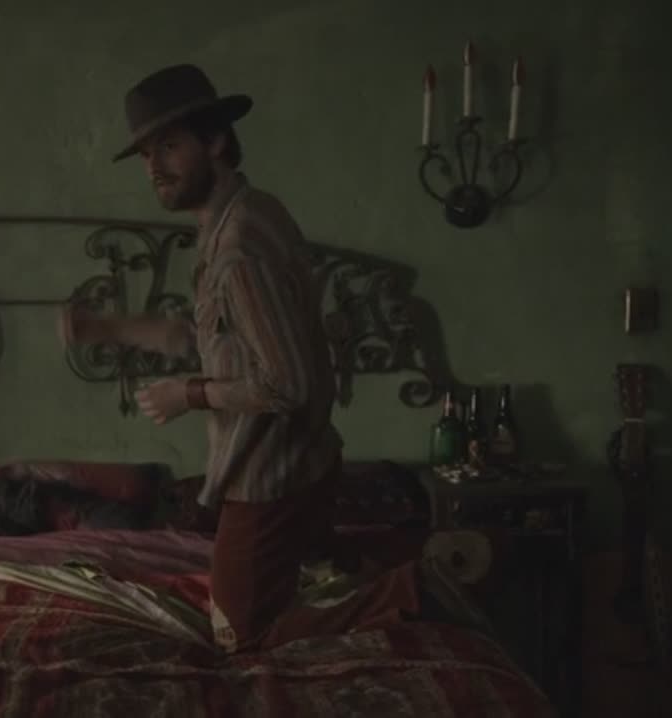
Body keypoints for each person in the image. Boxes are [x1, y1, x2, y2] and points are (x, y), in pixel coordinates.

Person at [61, 64, 398, 653]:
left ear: (215, 140)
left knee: (242, 636)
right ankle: (355, 573)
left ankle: (415, 591)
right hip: (309, 458)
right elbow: (220, 335)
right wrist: (105, 328)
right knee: (313, 568)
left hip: (269, 472)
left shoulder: (239, 250)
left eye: (169, 146)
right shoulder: (248, 211)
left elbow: (285, 383)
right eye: (146, 154)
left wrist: (187, 394)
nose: (154, 167)